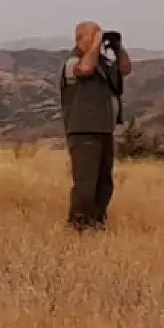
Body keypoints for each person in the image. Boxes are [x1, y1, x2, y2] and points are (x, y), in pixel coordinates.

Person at [58, 21, 132, 231]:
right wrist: (95, 44)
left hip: (104, 130)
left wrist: (117, 47)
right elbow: (85, 69)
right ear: (80, 39)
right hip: (83, 130)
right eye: (93, 35)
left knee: (104, 183)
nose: (98, 40)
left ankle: (97, 223)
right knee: (86, 183)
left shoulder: (104, 63)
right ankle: (78, 226)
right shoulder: (73, 61)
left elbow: (125, 69)